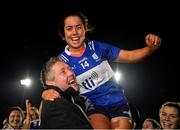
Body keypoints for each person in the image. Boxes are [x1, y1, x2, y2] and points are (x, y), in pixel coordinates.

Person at [42, 12, 161, 129]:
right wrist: (46, 93)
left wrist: (150, 49)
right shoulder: (61, 61)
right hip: (93, 106)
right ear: (63, 33)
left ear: (85, 29)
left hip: (117, 101)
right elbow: (53, 82)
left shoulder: (97, 47)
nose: (75, 32)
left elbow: (129, 56)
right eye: (69, 28)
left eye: (79, 27)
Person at [39, 57, 94, 129]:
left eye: (70, 69)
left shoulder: (74, 100)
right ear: (50, 82)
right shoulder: (54, 104)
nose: (71, 73)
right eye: (63, 72)